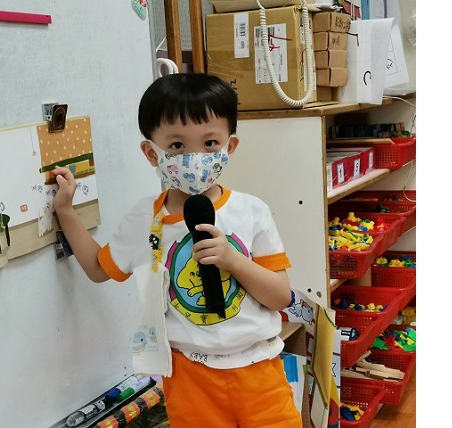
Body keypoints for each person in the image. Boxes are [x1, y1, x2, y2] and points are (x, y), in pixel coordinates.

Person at [52, 73, 301, 427]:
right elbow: (97, 267)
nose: (195, 157)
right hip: (189, 377)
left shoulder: (251, 211)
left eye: (210, 143)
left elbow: (280, 297)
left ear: (230, 146)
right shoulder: (145, 218)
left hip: (258, 369)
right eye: (178, 146)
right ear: (151, 152)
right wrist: (65, 211)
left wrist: (233, 261)